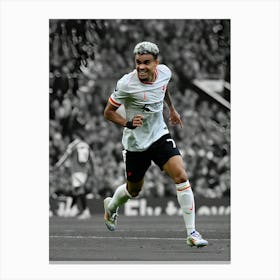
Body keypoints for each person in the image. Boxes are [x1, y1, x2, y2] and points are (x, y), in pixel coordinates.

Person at [103, 41, 208, 247]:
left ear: (156, 63)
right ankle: (112, 207)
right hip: (136, 143)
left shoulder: (165, 73)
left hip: (159, 135)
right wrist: (127, 123)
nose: (141, 67)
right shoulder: (126, 84)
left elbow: (163, 88)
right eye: (138, 63)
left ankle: (192, 233)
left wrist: (172, 109)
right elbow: (108, 112)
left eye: (146, 63)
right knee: (133, 191)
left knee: (181, 175)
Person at [53, 130, 95, 219]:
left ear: (75, 135)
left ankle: (85, 211)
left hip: (76, 171)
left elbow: (65, 156)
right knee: (76, 190)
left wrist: (58, 165)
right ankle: (73, 208)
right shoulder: (86, 145)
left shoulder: (73, 145)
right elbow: (92, 159)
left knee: (79, 190)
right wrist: (92, 170)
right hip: (84, 171)